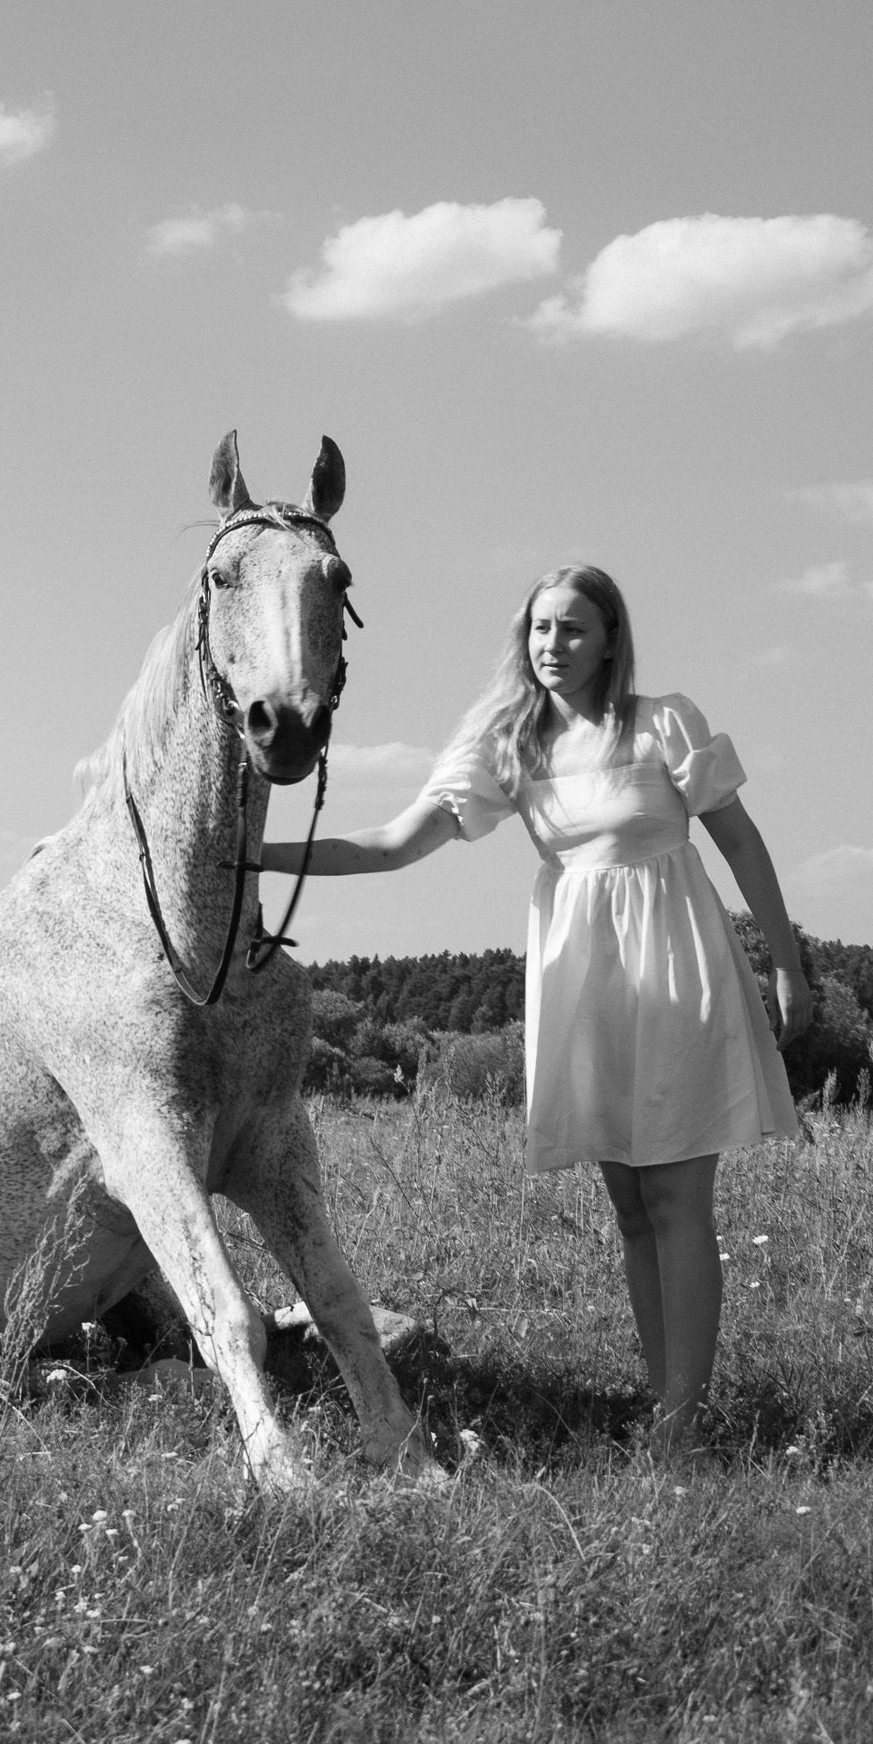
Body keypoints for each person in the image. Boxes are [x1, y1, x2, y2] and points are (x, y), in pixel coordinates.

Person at [260, 562, 812, 1461]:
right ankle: (662, 1405)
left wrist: (786, 968)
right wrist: (255, 854)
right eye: (539, 629)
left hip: (677, 968)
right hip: (585, 982)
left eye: (572, 629)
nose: (552, 646)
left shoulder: (663, 721)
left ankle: (680, 1426)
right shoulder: (504, 743)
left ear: (609, 640)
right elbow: (393, 846)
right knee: (630, 1205)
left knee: (676, 1198)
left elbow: (742, 842)